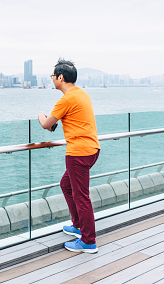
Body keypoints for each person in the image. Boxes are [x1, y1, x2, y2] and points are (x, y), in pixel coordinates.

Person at [38, 58, 101, 253]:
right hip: (91, 149)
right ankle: (78, 225)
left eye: (53, 76)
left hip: (78, 153)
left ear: (61, 77)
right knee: (66, 185)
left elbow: (46, 124)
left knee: (82, 197)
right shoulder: (81, 94)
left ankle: (88, 241)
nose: (52, 79)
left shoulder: (66, 99)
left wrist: (41, 115)